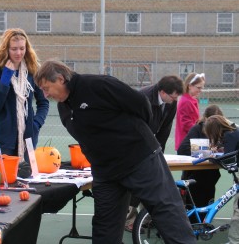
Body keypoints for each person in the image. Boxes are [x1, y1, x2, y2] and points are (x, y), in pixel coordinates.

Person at [34, 59, 196, 244]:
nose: (45, 95)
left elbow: (141, 103)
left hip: (139, 159)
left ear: (61, 79)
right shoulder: (64, 106)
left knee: (167, 213)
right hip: (106, 172)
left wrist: (131, 137)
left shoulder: (98, 85)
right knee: (105, 227)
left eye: (47, 88)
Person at [125, 75, 184, 232]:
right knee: (136, 182)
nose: (174, 100)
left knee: (154, 181)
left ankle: (148, 217)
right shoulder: (142, 98)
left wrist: (159, 153)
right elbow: (134, 127)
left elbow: (165, 129)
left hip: (151, 143)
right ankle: (129, 219)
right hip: (133, 143)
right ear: (162, 92)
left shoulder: (171, 102)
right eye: (172, 97)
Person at [0, 28, 49, 178]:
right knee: (2, 181)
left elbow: (43, 102)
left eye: (22, 48)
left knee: (27, 181)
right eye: (14, 49)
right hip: (2, 139)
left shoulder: (32, 71)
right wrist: (5, 79)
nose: (18, 53)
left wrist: (36, 125)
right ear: (6, 49)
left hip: (27, 138)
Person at [177, 105, 223, 207]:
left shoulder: (221, 130)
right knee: (194, 207)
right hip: (194, 176)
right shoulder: (197, 129)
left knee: (207, 204)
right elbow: (182, 150)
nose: (214, 127)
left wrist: (220, 149)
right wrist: (207, 150)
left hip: (210, 176)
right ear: (206, 119)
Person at [203, 115, 239, 244]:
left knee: (238, 209)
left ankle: (235, 240)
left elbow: (227, 158)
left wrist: (211, 158)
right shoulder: (233, 131)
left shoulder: (230, 135)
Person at [175, 72, 205, 151]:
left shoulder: (191, 99)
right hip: (188, 143)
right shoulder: (186, 101)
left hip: (192, 140)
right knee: (203, 158)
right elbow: (187, 125)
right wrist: (202, 131)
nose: (200, 90)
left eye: (202, 88)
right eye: (198, 88)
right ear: (190, 86)